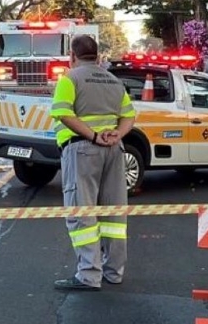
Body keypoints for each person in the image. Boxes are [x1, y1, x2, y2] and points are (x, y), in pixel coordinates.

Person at [50, 34, 136, 291]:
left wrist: (93, 136)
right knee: (114, 212)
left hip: (82, 151)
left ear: (73, 56)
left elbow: (62, 113)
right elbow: (129, 116)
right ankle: (114, 271)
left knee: (82, 211)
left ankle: (88, 274)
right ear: (97, 56)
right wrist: (116, 135)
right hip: (114, 150)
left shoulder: (70, 79)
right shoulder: (113, 80)